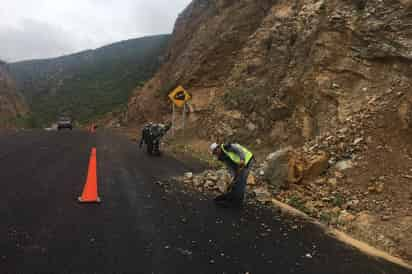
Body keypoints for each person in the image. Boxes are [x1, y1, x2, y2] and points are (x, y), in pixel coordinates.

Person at [210, 142, 254, 208]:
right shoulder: (222, 157)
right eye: (214, 153)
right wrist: (234, 176)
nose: (216, 154)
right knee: (236, 181)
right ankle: (233, 197)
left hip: (248, 160)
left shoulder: (227, 147)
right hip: (239, 164)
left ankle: (238, 202)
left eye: (216, 151)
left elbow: (239, 150)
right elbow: (230, 167)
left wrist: (242, 159)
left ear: (218, 148)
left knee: (241, 181)